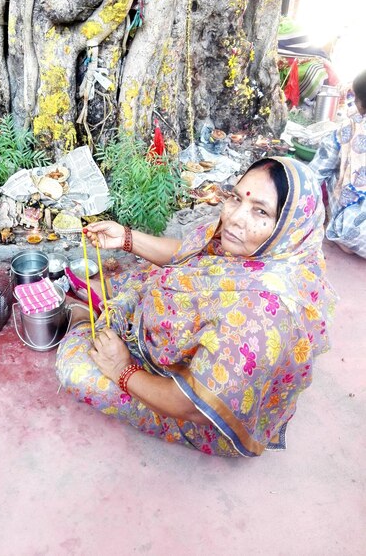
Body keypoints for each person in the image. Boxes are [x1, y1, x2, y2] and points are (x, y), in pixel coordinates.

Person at [56, 158, 337, 457]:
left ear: (288, 225)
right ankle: (112, 309)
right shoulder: (274, 247)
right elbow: (187, 255)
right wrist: (126, 238)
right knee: (159, 274)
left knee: (75, 369)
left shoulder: (263, 314)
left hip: (198, 411)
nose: (235, 218)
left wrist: (122, 369)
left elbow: (190, 407)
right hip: (189, 341)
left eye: (260, 211)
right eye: (236, 198)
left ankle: (83, 317)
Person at [310, 69, 366, 258]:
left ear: (359, 102)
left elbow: (315, 174)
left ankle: (342, 236)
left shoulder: (348, 128)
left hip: (351, 227)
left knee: (333, 171)